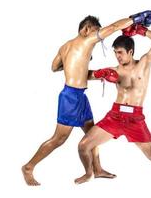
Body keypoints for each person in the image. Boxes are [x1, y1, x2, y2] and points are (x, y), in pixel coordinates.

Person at [21, 13, 141, 186]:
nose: (97, 39)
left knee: (92, 133)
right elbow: (114, 27)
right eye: (95, 32)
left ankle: (97, 169)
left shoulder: (65, 47)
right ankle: (28, 167)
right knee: (58, 139)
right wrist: (135, 19)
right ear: (86, 29)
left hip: (80, 96)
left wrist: (87, 71)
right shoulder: (86, 40)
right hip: (70, 97)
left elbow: (54, 67)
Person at [75, 24, 151, 185]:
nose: (117, 56)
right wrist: (98, 73)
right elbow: (86, 75)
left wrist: (142, 31)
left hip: (135, 119)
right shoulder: (114, 70)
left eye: (120, 52)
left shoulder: (144, 63)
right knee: (83, 145)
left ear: (130, 52)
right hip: (115, 117)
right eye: (115, 52)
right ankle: (91, 172)